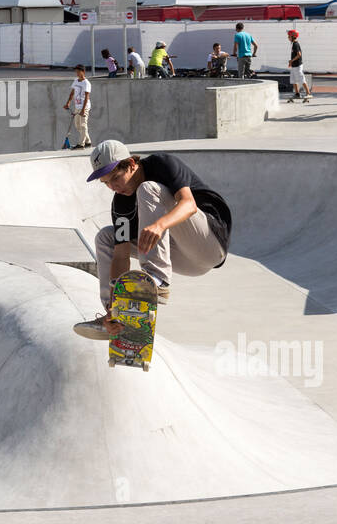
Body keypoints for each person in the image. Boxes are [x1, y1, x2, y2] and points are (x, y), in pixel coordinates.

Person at [73, 139, 232, 339]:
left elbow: (189, 205)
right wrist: (115, 307)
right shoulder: (121, 204)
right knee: (106, 237)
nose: (113, 187)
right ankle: (113, 316)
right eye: (106, 183)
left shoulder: (161, 164)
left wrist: (160, 224)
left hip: (209, 243)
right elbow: (120, 256)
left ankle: (157, 280)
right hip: (184, 260)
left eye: (115, 178)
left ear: (131, 164)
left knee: (147, 188)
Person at [63, 64, 92, 149]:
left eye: (78, 72)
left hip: (85, 107)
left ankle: (81, 144)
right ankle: (88, 141)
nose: (77, 73)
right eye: (76, 72)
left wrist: (83, 109)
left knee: (83, 125)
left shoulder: (86, 83)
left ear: (83, 72)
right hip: (77, 106)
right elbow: (72, 93)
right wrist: (68, 102)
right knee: (77, 125)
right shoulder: (75, 81)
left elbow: (87, 97)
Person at [286, 30, 311, 102]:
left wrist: (292, 60)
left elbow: (299, 54)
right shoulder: (293, 44)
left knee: (301, 78)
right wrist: (291, 62)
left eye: (289, 36)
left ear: (293, 36)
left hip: (297, 65)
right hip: (294, 65)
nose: (288, 37)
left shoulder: (296, 44)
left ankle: (308, 93)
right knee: (293, 80)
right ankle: (297, 93)